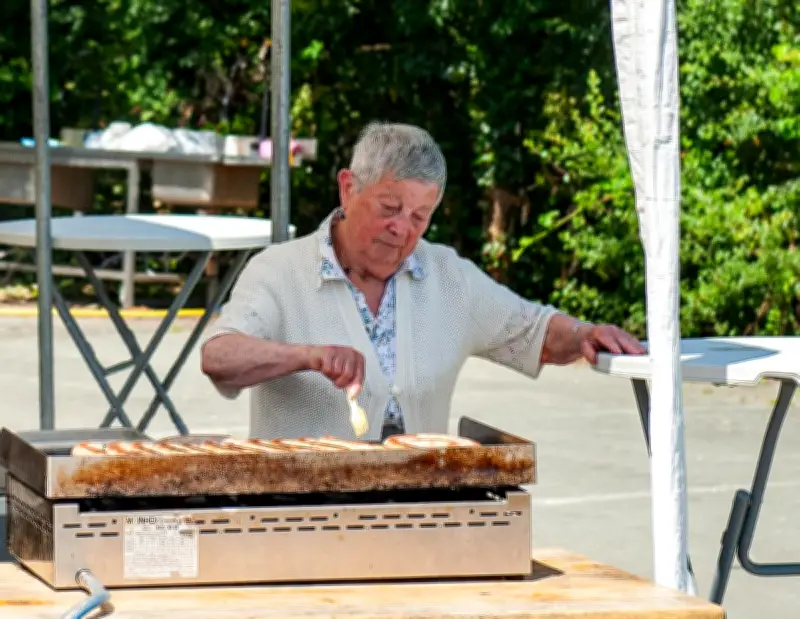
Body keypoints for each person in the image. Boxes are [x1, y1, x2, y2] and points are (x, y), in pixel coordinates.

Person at [201, 121, 645, 440]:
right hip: (298, 512)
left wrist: (586, 334)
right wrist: (306, 355)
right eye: (390, 208)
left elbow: (533, 331)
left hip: (418, 509)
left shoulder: (448, 277)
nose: (403, 229)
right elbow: (220, 356)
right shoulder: (279, 270)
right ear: (348, 189)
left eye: (420, 217)